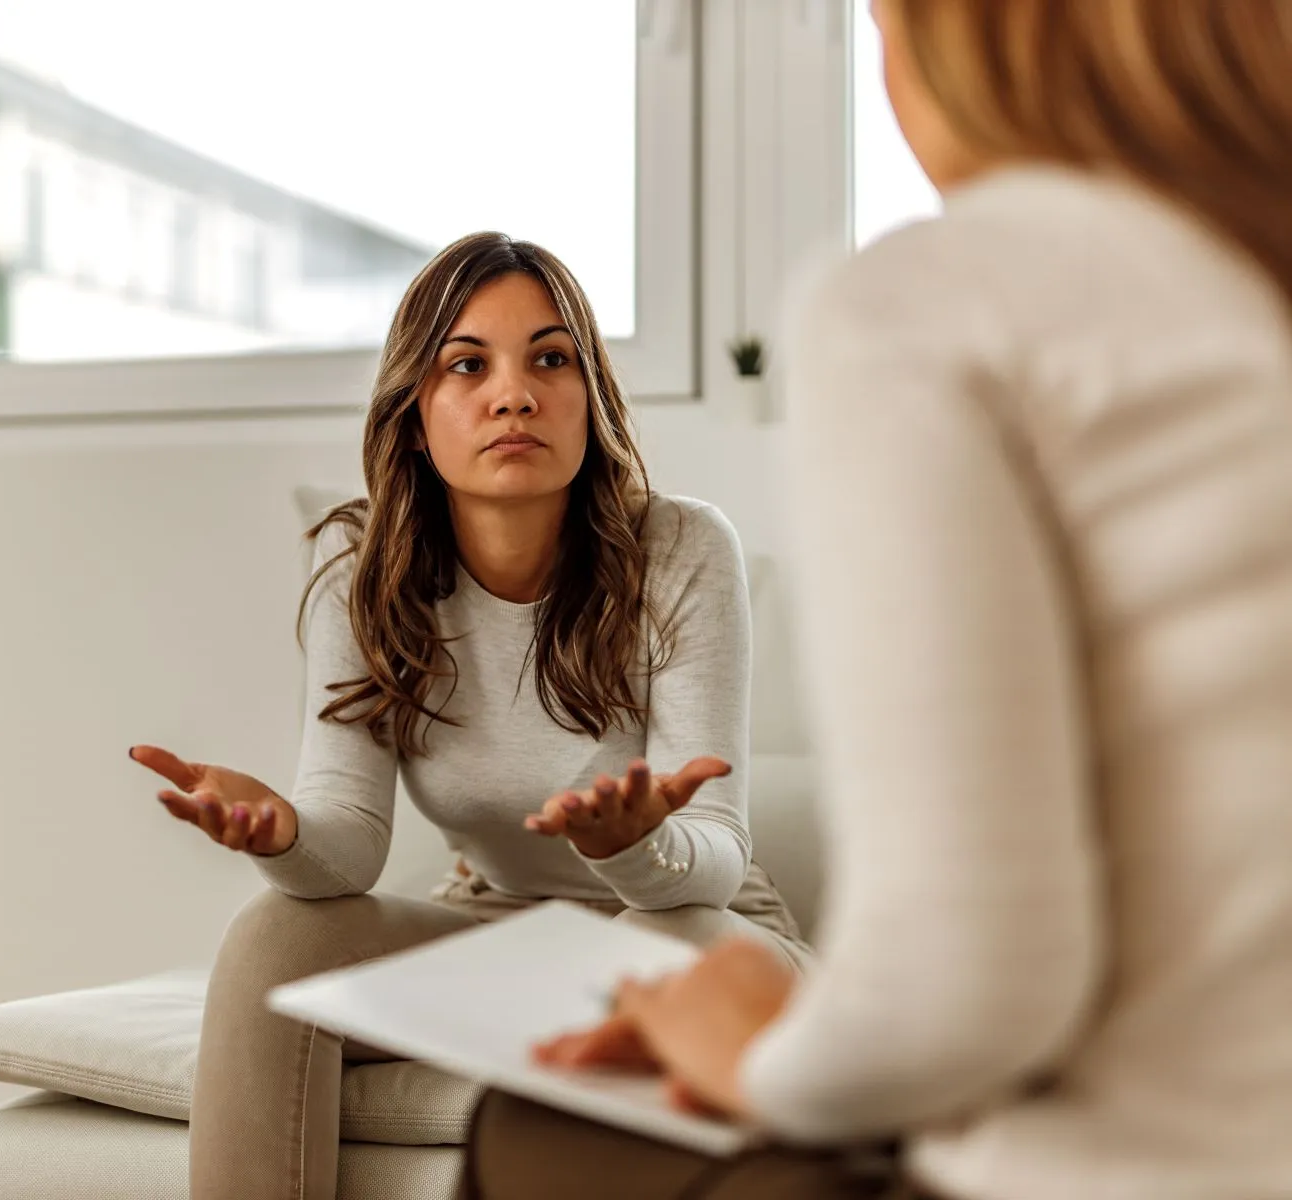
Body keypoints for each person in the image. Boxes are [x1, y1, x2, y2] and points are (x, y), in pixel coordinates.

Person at [457, 1, 1292, 1197]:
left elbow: (973, 985)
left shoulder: (933, 306)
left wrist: (764, 1044)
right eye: (470, 365)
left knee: (546, 1123)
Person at [129, 230, 809, 1200]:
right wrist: (282, 835)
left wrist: (632, 849)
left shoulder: (683, 551)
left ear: (591, 398)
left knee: (660, 955)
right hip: (501, 927)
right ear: (414, 413)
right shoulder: (361, 575)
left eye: (550, 358)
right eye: (466, 365)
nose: (513, 393)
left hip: (695, 925)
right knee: (273, 936)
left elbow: (713, 855)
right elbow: (349, 846)